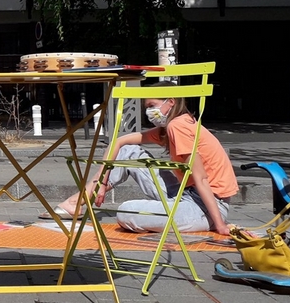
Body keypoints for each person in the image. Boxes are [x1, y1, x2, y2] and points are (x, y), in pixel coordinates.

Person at [40, 84, 238, 235]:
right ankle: (77, 201)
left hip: (205, 204)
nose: (149, 112)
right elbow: (120, 142)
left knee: (127, 211)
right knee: (129, 151)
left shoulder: (177, 126)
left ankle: (195, 218)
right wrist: (102, 181)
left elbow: (202, 178)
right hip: (186, 192)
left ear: (171, 102)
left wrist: (219, 224)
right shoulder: (168, 128)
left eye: (152, 105)